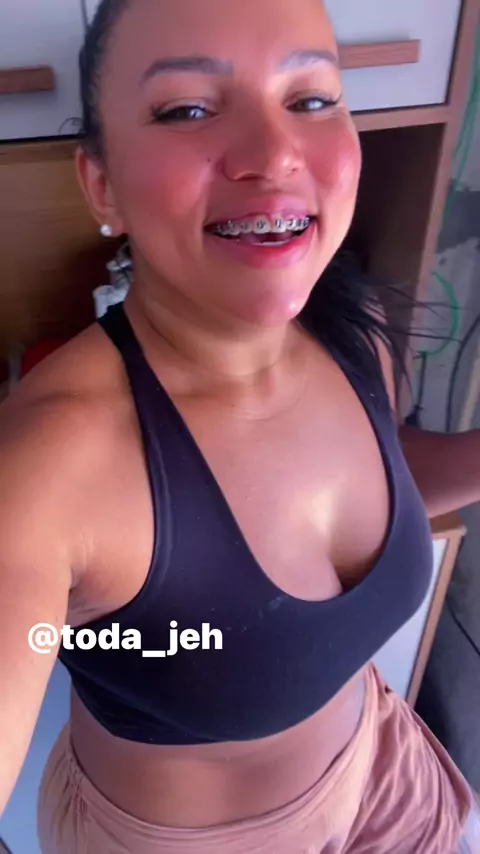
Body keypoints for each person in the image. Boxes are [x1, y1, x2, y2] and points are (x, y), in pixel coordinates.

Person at [1, 0, 479, 851]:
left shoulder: (351, 324)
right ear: (102, 185)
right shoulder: (52, 464)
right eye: (188, 109)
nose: (275, 152)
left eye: (311, 99)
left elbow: (379, 480)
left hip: (381, 768)